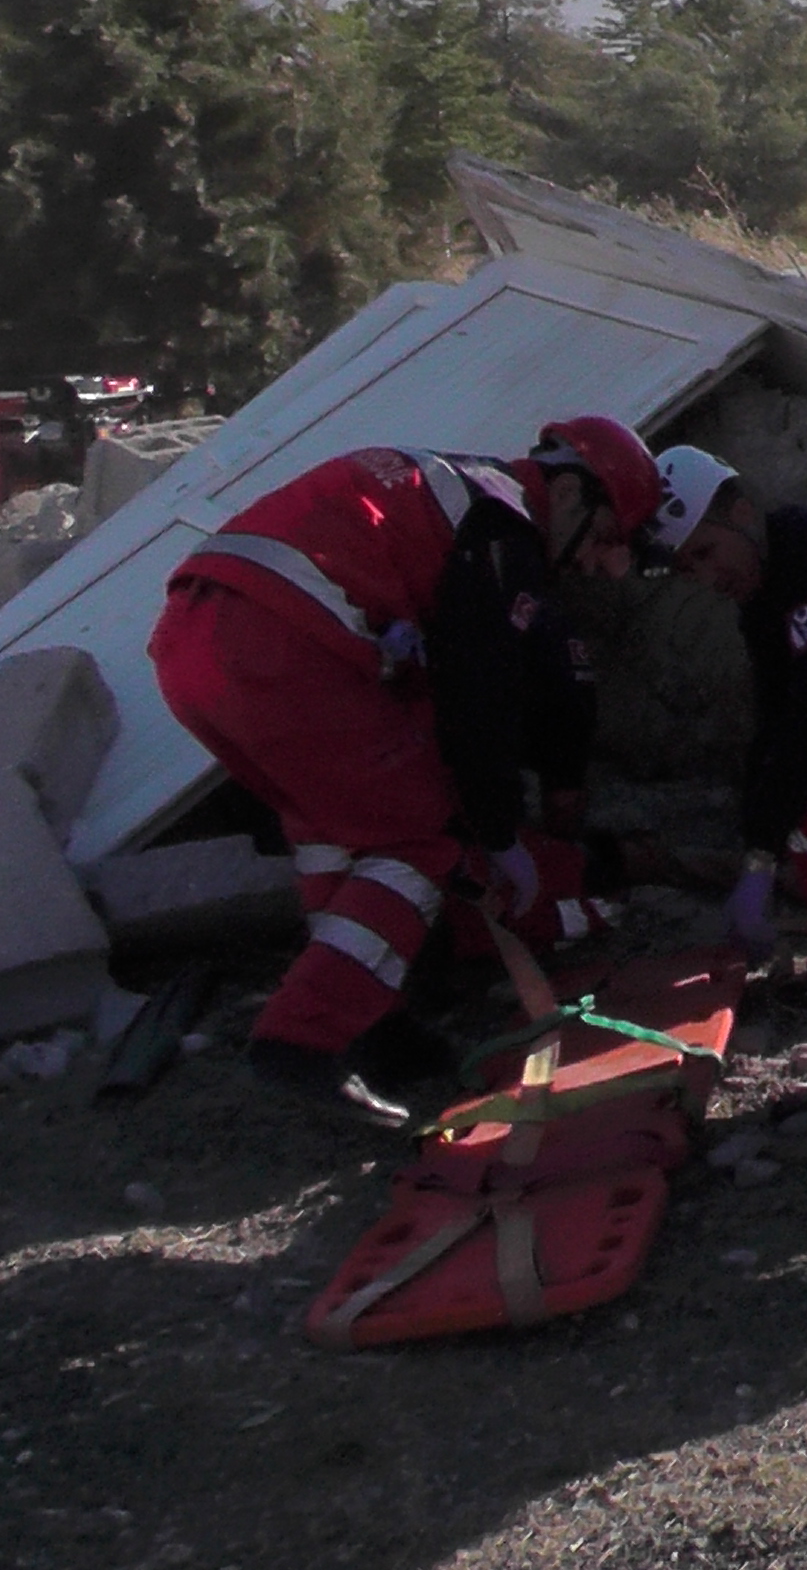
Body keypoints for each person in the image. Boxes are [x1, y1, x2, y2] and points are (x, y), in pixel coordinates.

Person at [148, 418, 664, 1128]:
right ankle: (300, 1038)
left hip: (190, 645)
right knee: (419, 836)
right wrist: (495, 834)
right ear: (570, 489)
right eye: (609, 538)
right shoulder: (500, 529)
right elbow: (478, 695)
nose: (604, 566)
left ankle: (375, 1027)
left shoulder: (450, 493)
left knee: (335, 833)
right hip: (274, 642)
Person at [648, 442, 807, 970]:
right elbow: (773, 714)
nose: (709, 579)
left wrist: (763, 851)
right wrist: (756, 847)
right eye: (689, 569)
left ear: (742, 513)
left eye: (706, 553)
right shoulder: (765, 597)